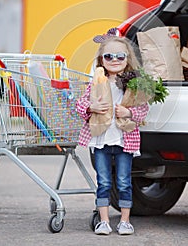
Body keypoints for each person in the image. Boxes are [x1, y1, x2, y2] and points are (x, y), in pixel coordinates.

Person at [76, 36, 149, 236]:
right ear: (101, 60)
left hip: (125, 140)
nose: (114, 59)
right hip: (101, 139)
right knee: (104, 181)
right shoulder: (97, 82)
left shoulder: (133, 84)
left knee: (124, 180)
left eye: (120, 55)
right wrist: (92, 107)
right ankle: (104, 221)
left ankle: (125, 221)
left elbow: (143, 109)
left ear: (127, 58)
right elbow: (80, 105)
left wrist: (129, 113)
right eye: (109, 56)